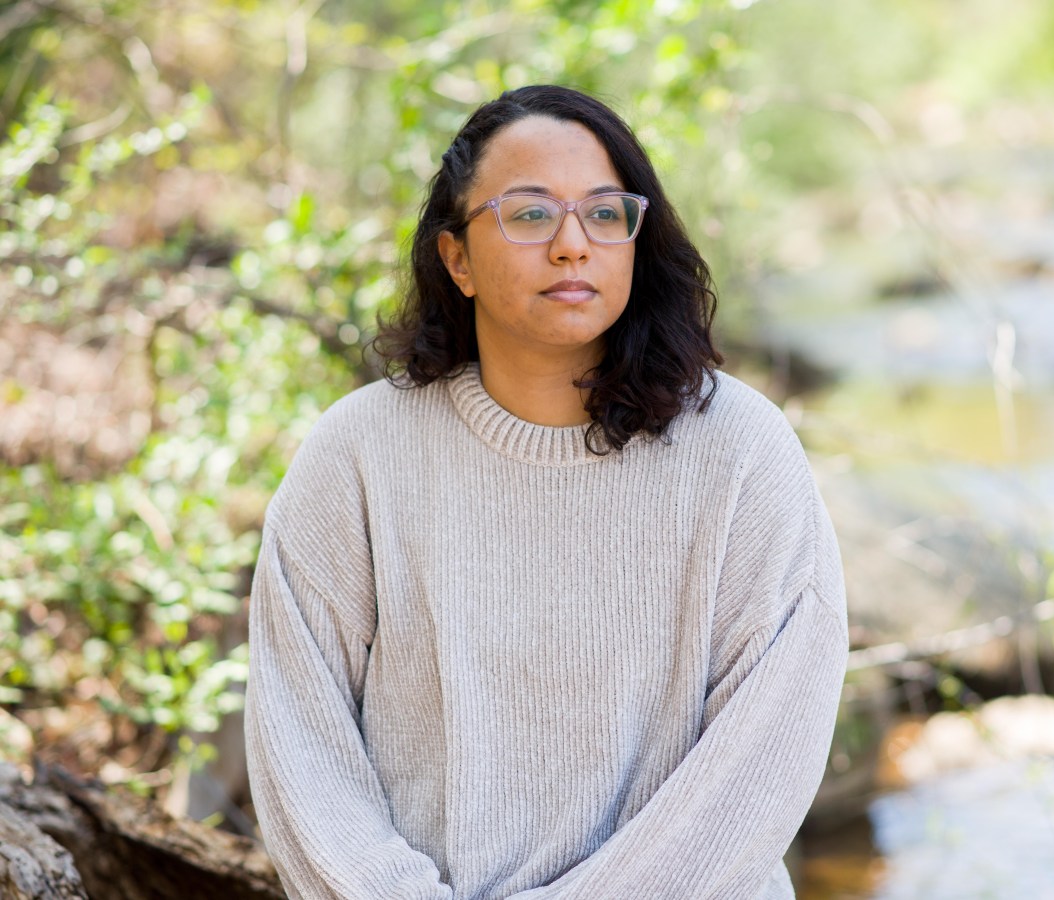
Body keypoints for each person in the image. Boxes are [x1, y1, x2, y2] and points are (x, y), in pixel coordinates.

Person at [244, 84, 848, 900]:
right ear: (456, 258)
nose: (572, 245)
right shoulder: (358, 455)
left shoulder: (742, 451)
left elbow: (756, 776)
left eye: (604, 214)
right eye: (530, 214)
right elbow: (301, 751)